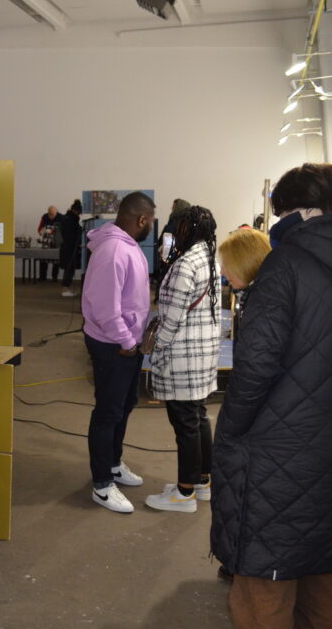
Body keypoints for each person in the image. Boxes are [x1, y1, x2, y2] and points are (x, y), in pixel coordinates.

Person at [211, 163, 332, 629]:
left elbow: (254, 366)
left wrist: (230, 434)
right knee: (326, 582)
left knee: (263, 587)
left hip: (276, 458)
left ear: (302, 211)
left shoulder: (284, 265)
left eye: (282, 212)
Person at [81, 191, 155, 513]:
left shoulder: (129, 247)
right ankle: (101, 485)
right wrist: (126, 342)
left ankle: (113, 463)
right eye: (150, 220)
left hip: (127, 344)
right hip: (113, 345)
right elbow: (104, 309)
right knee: (108, 412)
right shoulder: (112, 251)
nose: (150, 225)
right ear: (141, 220)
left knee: (124, 406)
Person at [144, 206, 221, 513]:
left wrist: (153, 349)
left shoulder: (185, 264)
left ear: (189, 229)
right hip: (201, 354)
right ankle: (203, 482)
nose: (174, 233)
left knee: (185, 424)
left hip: (182, 357)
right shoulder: (207, 257)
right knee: (198, 418)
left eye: (179, 227)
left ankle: (184, 493)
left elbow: (171, 319)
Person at [217, 228, 271, 342]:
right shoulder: (252, 298)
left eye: (227, 264)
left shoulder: (262, 306)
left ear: (244, 264)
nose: (222, 272)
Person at [60, 199, 83, 297]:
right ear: (76, 211)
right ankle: (65, 290)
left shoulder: (68, 218)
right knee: (69, 268)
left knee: (69, 269)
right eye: (79, 213)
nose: (79, 215)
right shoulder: (70, 220)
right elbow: (72, 234)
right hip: (70, 248)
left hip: (68, 247)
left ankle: (66, 288)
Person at [36, 205, 64, 280]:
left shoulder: (61, 217)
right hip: (46, 242)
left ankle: (54, 277)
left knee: (56, 260)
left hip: (57, 242)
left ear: (56, 213)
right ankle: (42, 276)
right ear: (48, 212)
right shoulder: (44, 217)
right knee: (43, 258)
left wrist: (54, 231)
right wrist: (42, 231)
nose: (51, 216)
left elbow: (64, 231)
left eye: (53, 214)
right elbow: (39, 229)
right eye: (50, 214)